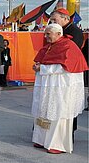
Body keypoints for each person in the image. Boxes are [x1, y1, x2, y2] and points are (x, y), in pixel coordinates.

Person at [31, 24, 88, 153]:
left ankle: (57, 144)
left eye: (48, 34)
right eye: (45, 34)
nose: (46, 37)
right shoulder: (51, 46)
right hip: (48, 86)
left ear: (58, 33)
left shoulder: (68, 46)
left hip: (61, 88)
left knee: (58, 113)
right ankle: (42, 140)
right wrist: (38, 65)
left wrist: (43, 68)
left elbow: (65, 68)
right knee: (44, 112)